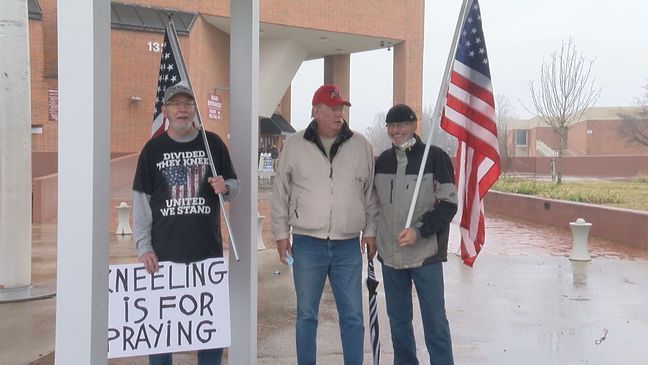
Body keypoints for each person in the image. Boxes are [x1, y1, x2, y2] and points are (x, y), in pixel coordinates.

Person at [132, 83, 239, 365]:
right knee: (162, 334)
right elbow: (141, 201)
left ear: (194, 109)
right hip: (164, 259)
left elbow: (234, 184)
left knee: (208, 334)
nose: (182, 109)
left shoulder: (212, 143)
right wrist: (144, 247)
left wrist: (225, 187)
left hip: (207, 257)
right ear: (165, 111)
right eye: (175, 104)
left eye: (187, 104)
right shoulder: (152, 150)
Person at [271, 84, 378, 365]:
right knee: (306, 315)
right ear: (315, 111)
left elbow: (370, 194)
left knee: (353, 316)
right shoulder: (294, 145)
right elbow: (280, 193)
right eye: (332, 108)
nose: (338, 113)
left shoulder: (361, 145)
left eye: (340, 108)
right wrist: (281, 235)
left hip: (347, 246)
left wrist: (370, 231)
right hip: (307, 245)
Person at [373, 104, 458, 365]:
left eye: (401, 125)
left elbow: (449, 204)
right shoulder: (382, 162)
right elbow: (374, 206)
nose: (395, 130)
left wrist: (419, 231)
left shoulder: (435, 158)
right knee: (398, 323)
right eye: (391, 126)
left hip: (425, 257)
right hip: (390, 258)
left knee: (434, 321)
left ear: (414, 125)